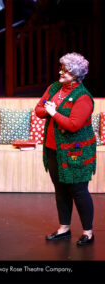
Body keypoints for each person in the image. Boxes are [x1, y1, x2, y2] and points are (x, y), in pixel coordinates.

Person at [35, 52, 96, 246]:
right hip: (53, 148)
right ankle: (64, 228)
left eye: (66, 71)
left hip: (75, 152)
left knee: (78, 190)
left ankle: (88, 232)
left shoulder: (83, 97)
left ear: (76, 75)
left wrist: (53, 111)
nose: (61, 73)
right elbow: (38, 109)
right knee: (60, 189)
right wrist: (47, 109)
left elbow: (73, 125)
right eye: (61, 69)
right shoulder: (54, 88)